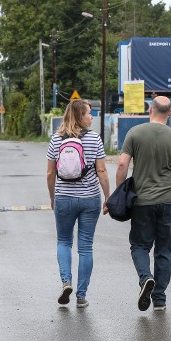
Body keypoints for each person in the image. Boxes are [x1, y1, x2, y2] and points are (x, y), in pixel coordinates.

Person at [115, 95, 171, 312]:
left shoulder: (134, 133)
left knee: (140, 245)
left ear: (150, 110)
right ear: (169, 113)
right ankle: (159, 299)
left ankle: (145, 278)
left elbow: (122, 164)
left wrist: (118, 194)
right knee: (164, 249)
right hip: (169, 202)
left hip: (142, 201)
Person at [46, 99, 110, 308]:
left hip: (64, 198)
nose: (92, 117)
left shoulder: (56, 140)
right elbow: (101, 170)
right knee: (86, 248)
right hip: (90, 199)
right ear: (80, 116)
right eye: (89, 113)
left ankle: (66, 282)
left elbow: (50, 173)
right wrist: (108, 196)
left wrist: (52, 197)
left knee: (64, 242)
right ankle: (81, 296)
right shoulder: (94, 139)